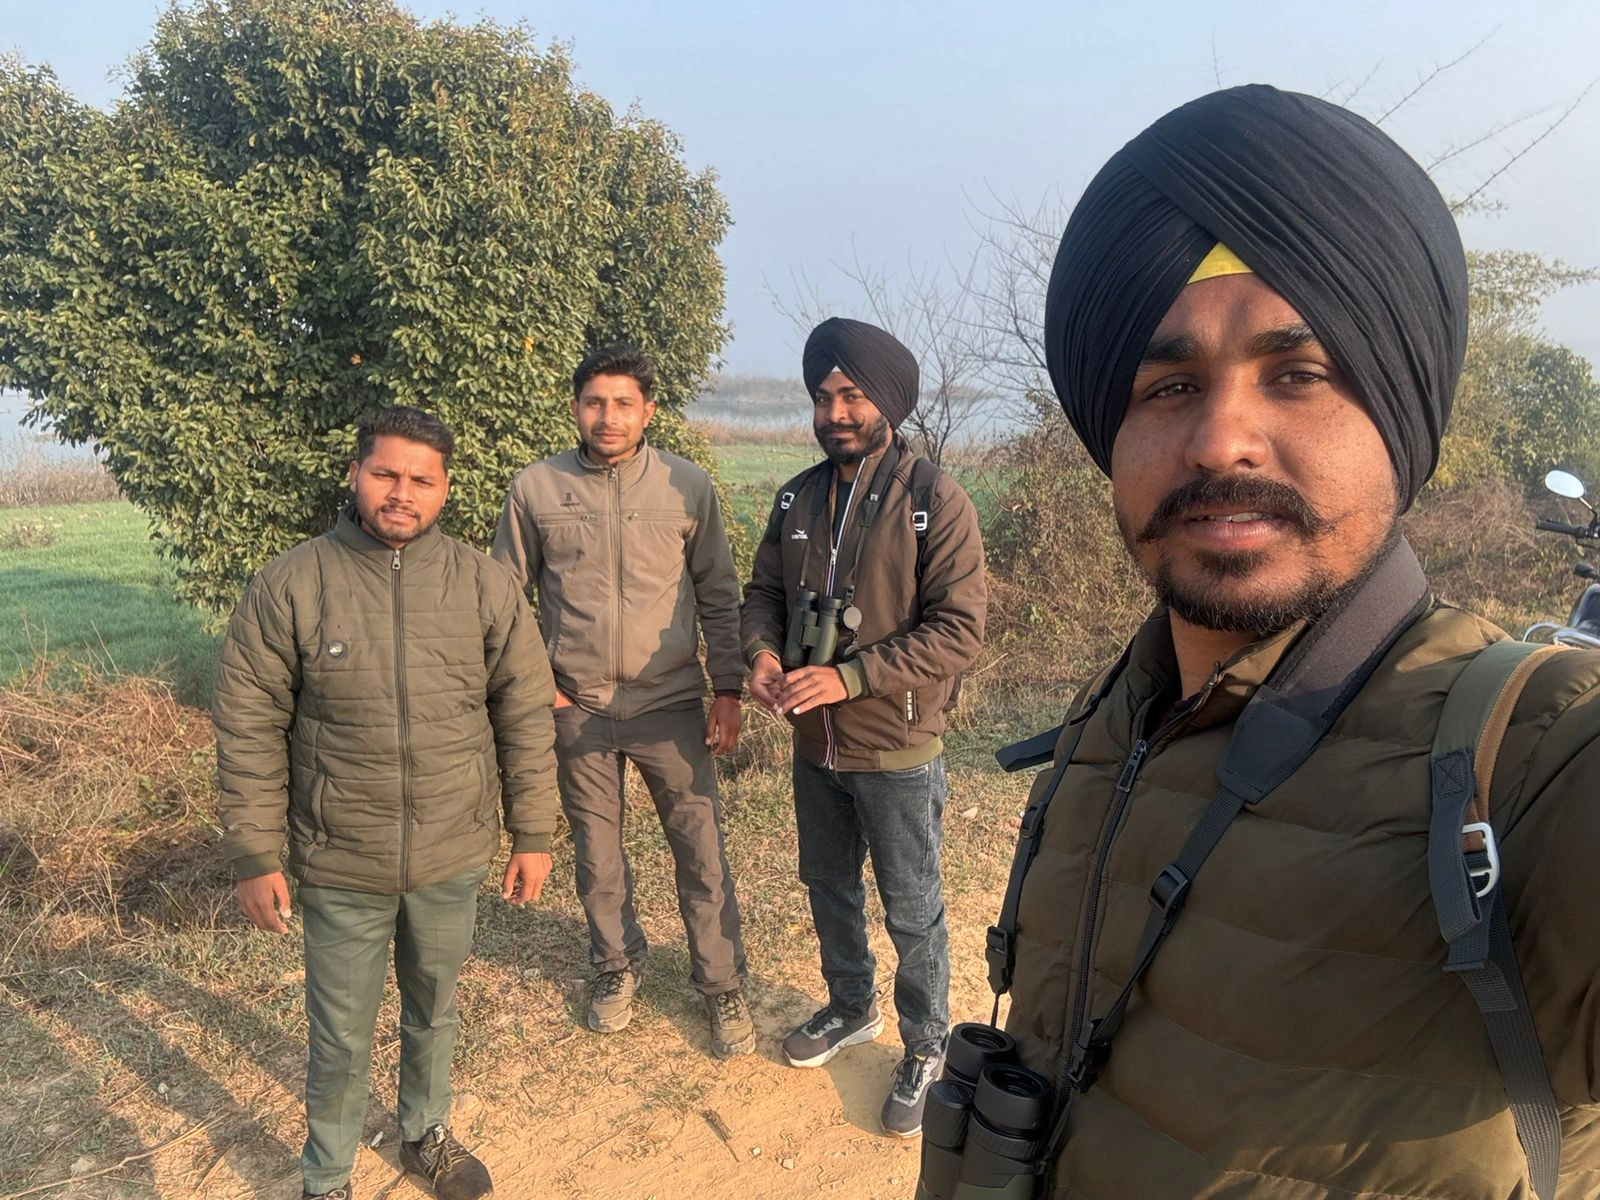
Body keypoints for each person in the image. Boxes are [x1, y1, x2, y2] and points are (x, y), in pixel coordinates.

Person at [999, 84, 1600, 1198]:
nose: (1220, 438)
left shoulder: (1530, 757)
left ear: (1400, 415)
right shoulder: (1107, 719)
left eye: (1298, 375)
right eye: (1168, 385)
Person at [215, 406, 558, 1200]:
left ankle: (424, 1134)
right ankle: (326, 1177)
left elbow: (524, 714)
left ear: (445, 489)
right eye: (386, 474)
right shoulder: (291, 585)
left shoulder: (484, 584)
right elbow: (248, 725)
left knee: (434, 1010)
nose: (402, 493)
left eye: (421, 480)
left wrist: (533, 831)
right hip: (342, 856)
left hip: (450, 850)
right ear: (355, 475)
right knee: (339, 1034)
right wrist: (254, 853)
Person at [741, 317, 987, 1137]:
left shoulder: (932, 500)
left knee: (912, 907)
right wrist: (761, 654)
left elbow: (959, 630)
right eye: (823, 397)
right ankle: (852, 1006)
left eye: (851, 395)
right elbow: (762, 595)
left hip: (898, 747)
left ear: (886, 401)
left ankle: (926, 1042)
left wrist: (848, 676)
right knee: (828, 884)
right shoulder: (797, 497)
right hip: (814, 745)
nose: (835, 412)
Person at [492, 343, 754, 1058]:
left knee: (700, 850)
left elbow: (719, 593)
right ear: (576, 408)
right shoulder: (537, 488)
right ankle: (614, 965)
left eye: (623, 404)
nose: (608, 417)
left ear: (648, 411)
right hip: (575, 705)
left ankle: (721, 983)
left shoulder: (685, 486)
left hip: (670, 702)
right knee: (597, 853)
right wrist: (537, 682)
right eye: (594, 403)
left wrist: (728, 688)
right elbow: (503, 598)